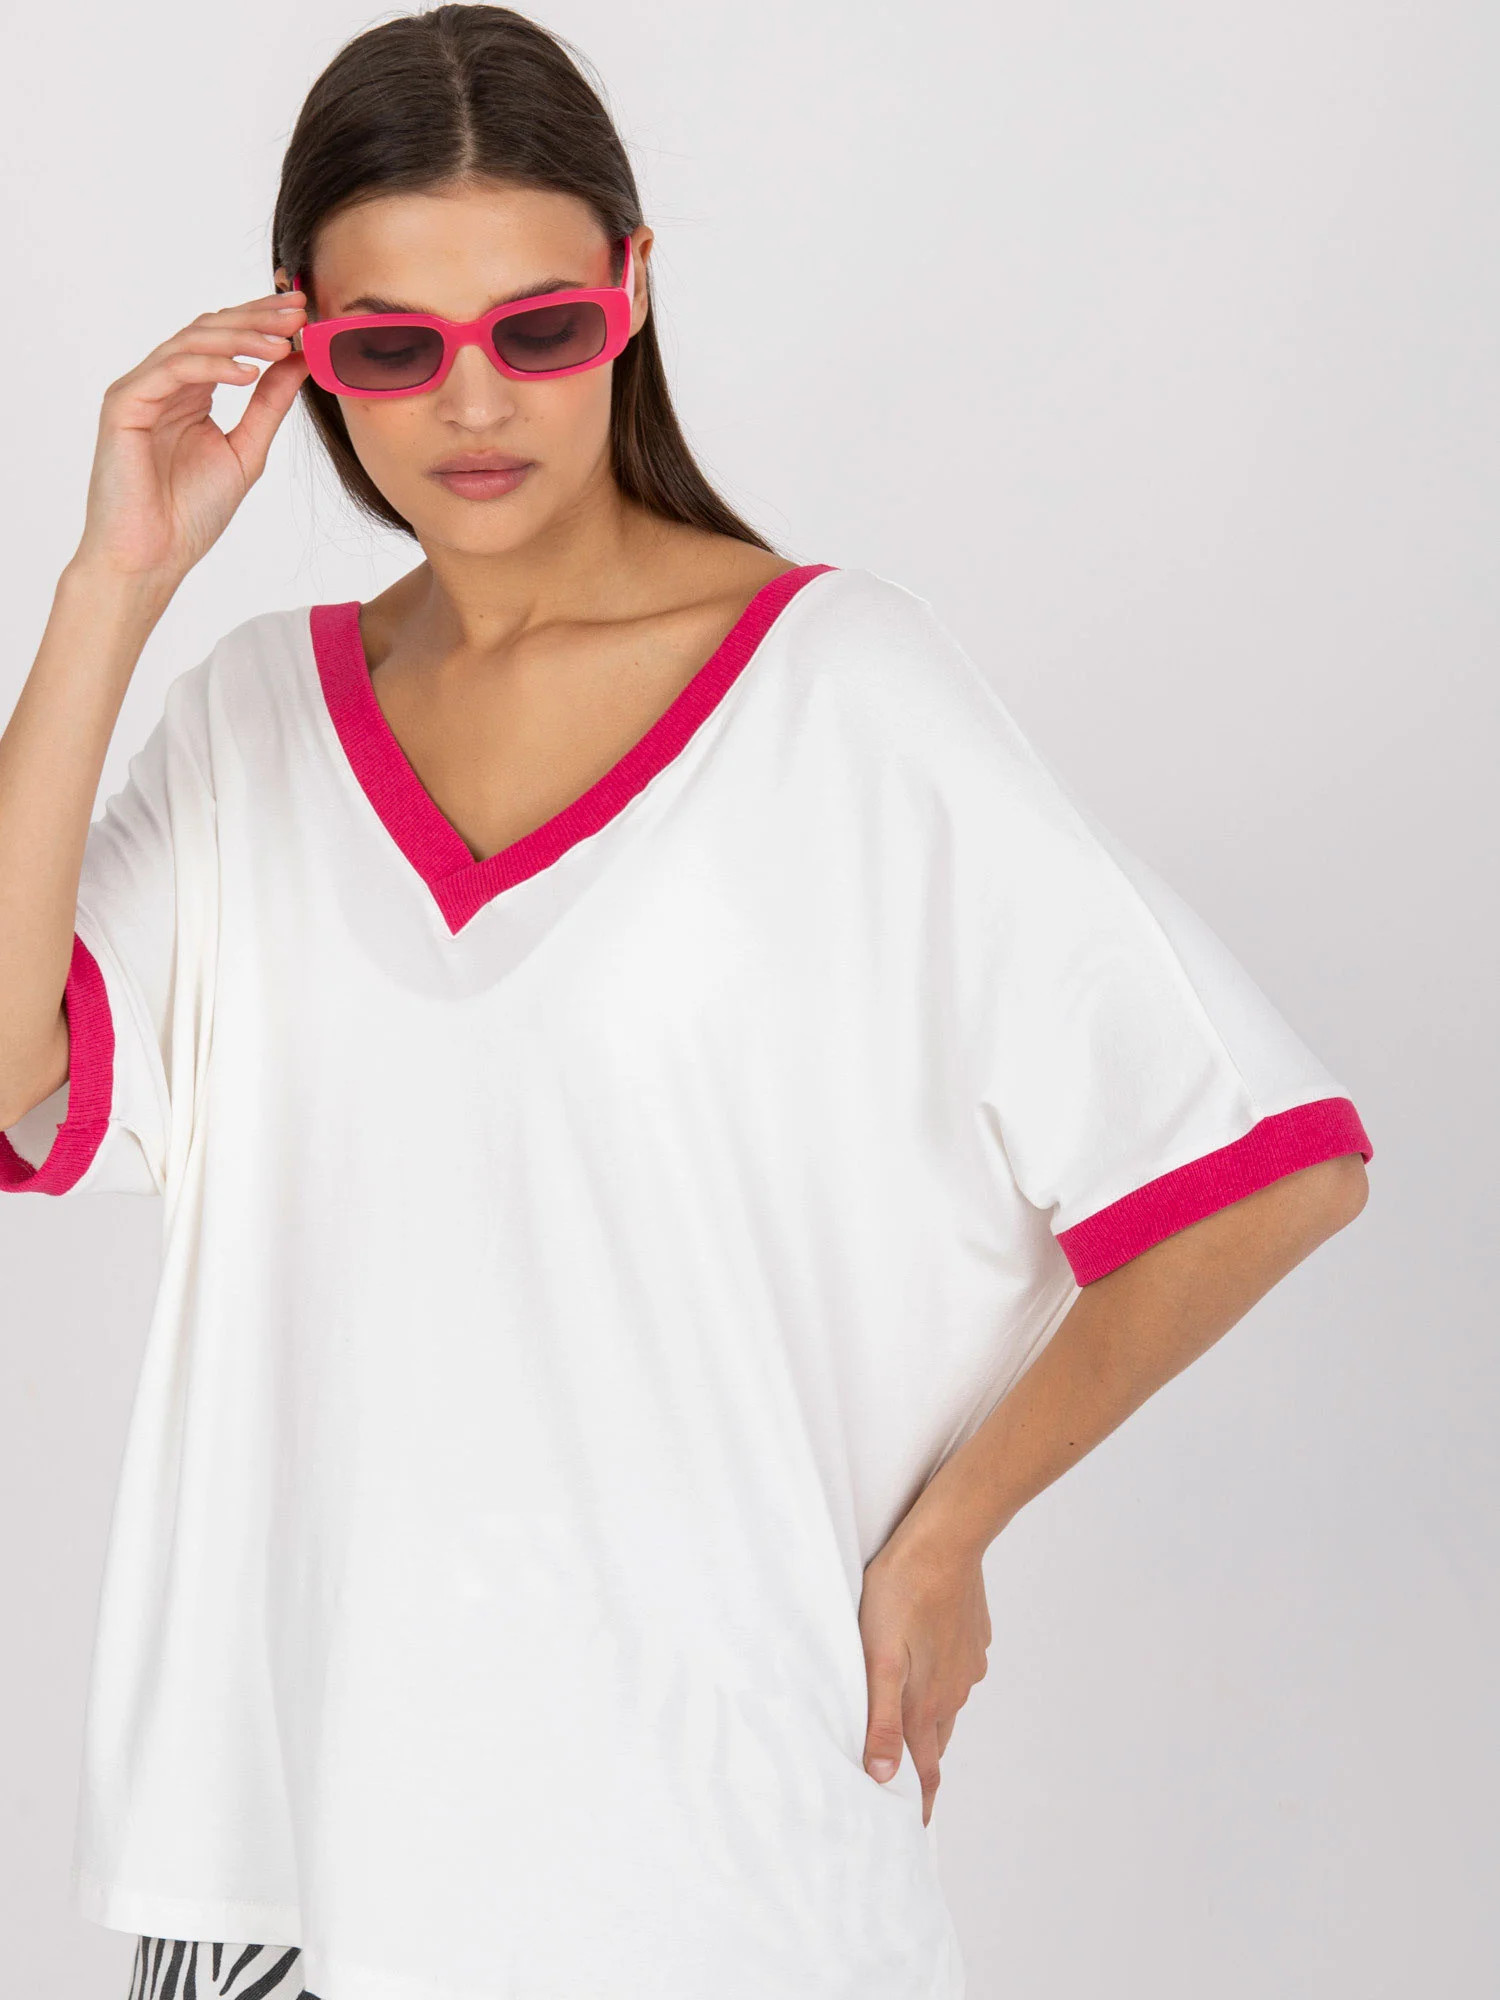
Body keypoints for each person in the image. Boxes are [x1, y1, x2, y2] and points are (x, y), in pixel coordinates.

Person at [0, 7, 1373, 1999]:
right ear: (305, 348)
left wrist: (952, 1528)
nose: (475, 402)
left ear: (632, 293)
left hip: (706, 1870)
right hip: (285, 1866)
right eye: (394, 347)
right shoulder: (254, 727)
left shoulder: (841, 692)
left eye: (538, 327)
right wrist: (112, 586)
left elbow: (1262, 1165)